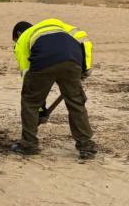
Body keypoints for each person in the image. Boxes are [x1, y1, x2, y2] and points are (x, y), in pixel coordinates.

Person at [10, 18, 96, 160]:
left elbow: (28, 76)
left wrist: (38, 109)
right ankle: (86, 146)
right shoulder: (57, 24)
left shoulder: (23, 39)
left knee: (29, 102)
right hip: (72, 59)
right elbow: (85, 41)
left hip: (44, 61)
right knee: (76, 103)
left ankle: (28, 145)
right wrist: (85, 67)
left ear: (19, 34)